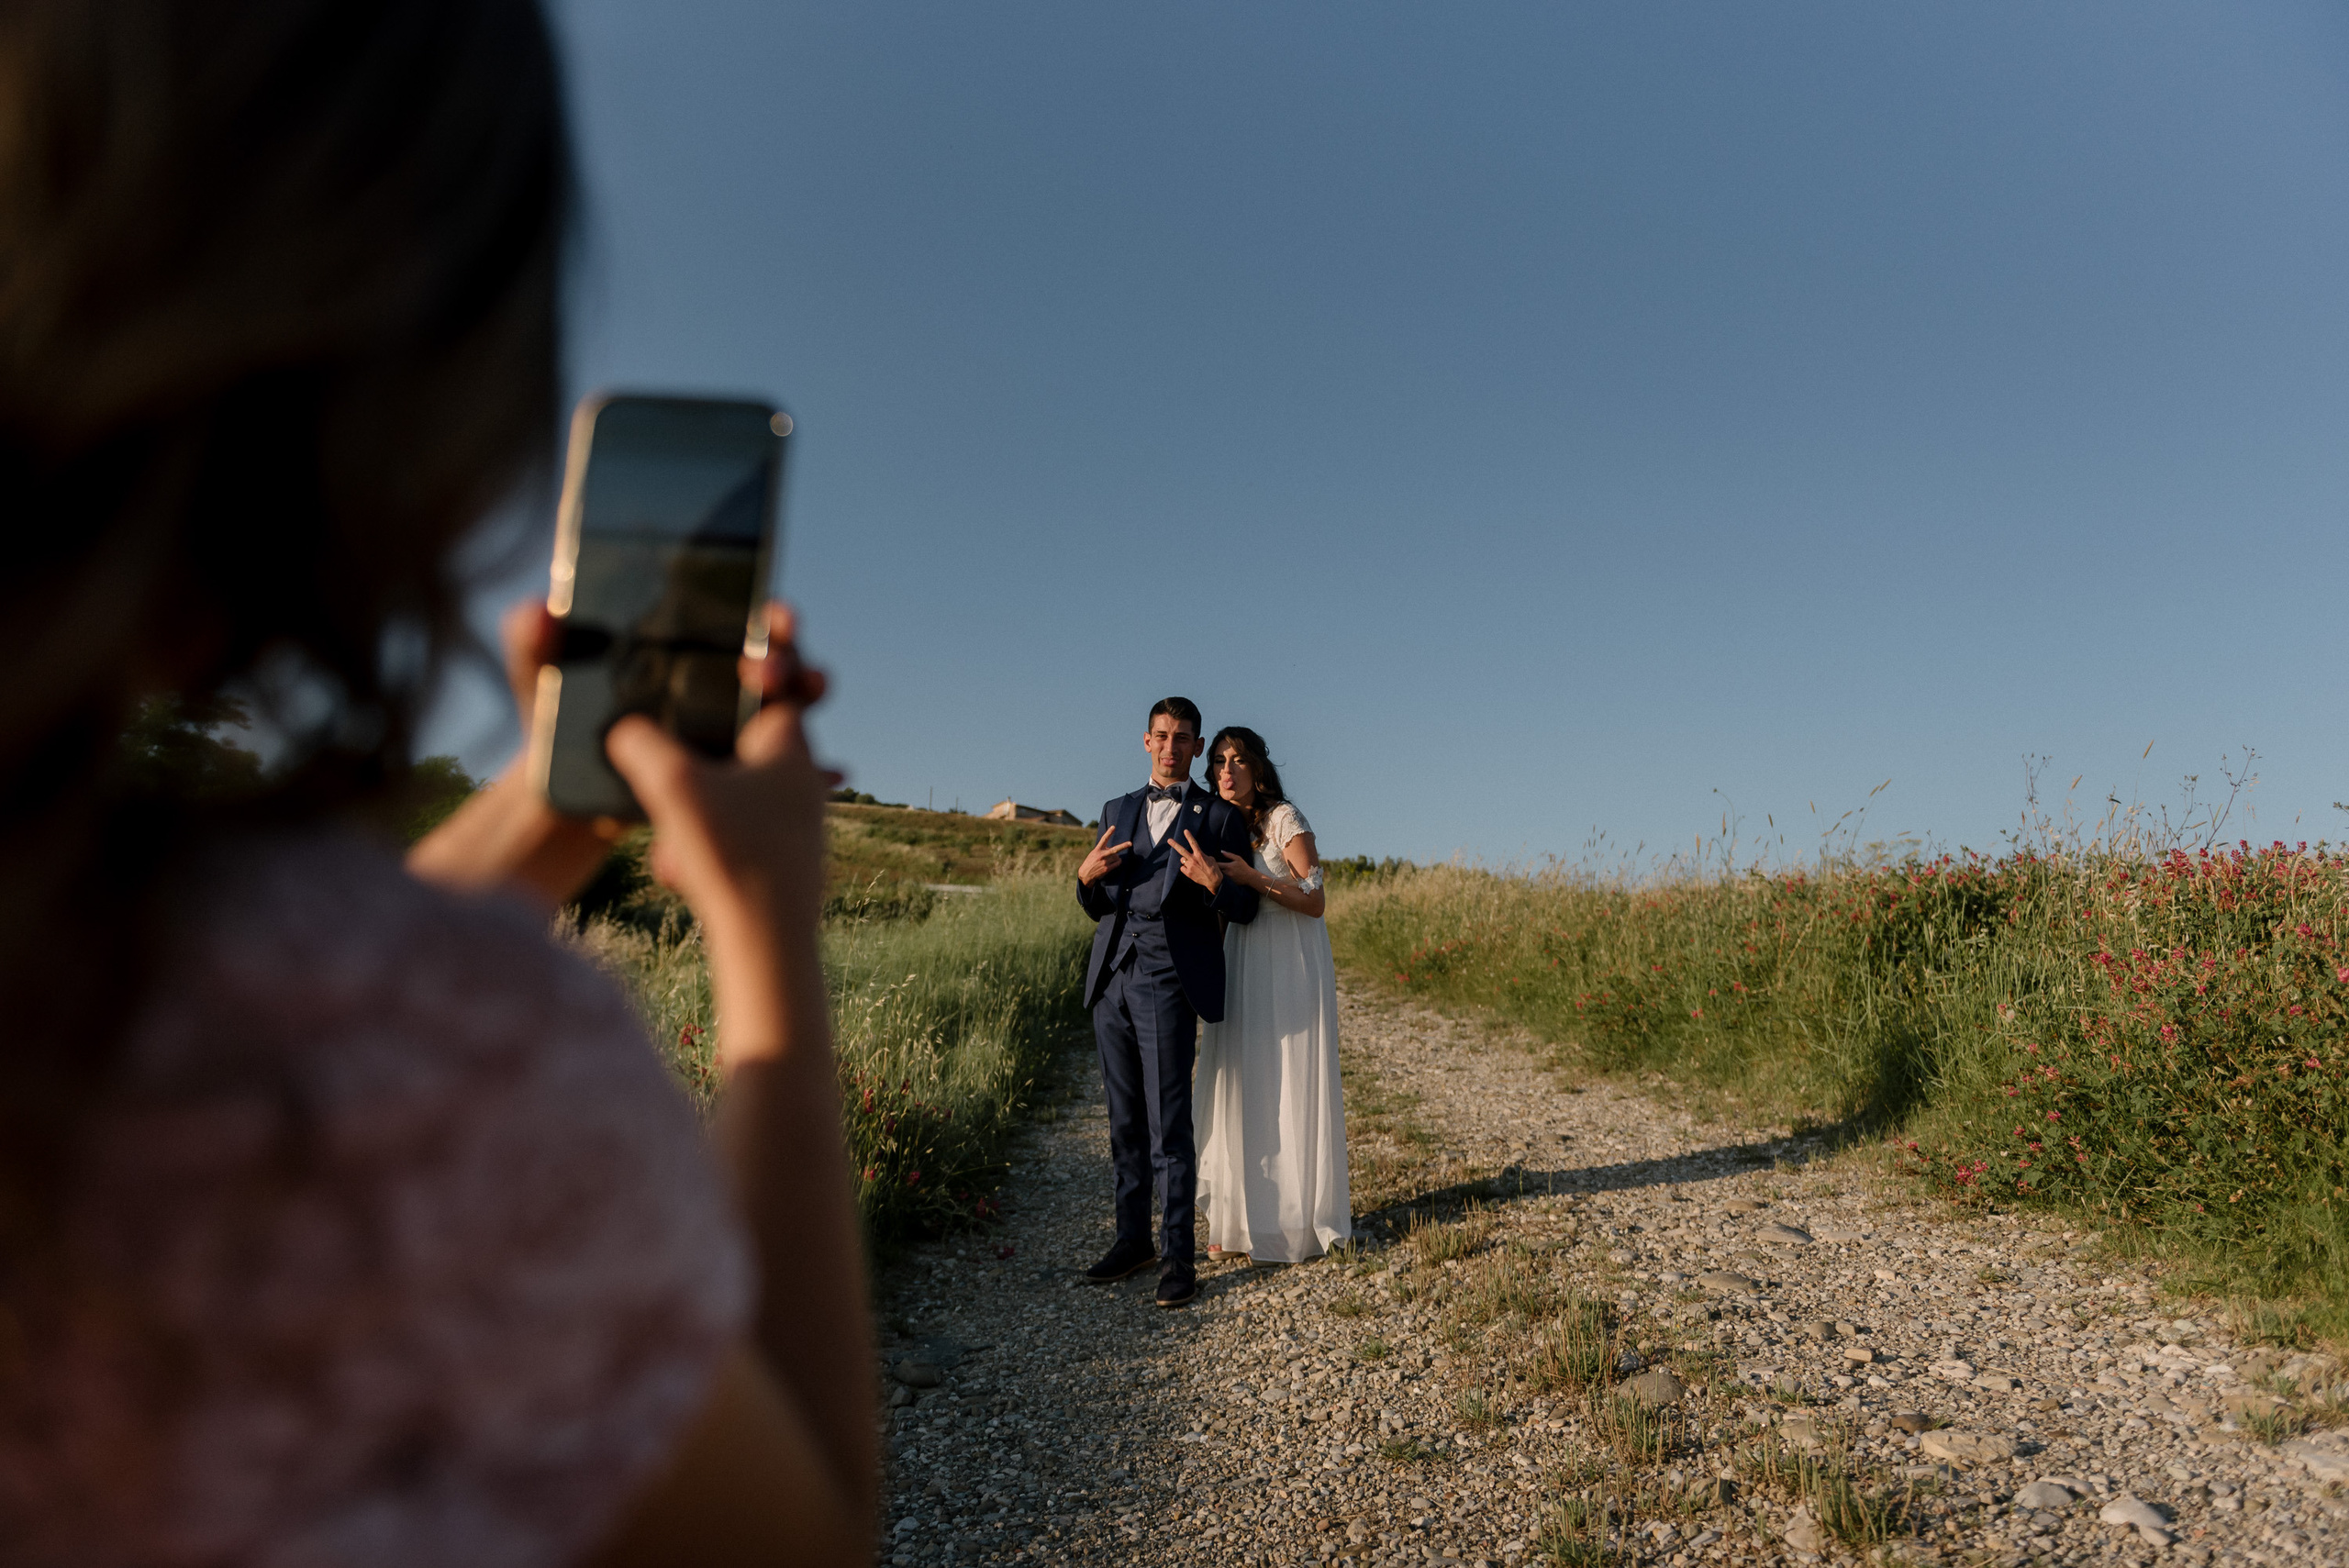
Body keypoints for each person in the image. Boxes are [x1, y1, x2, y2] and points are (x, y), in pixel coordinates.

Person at [0, 3, 872, 1563]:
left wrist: (551, 803)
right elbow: (802, 1531)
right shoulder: (438, 1061)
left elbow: (251, 994)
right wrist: (765, 933)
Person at [1074, 697, 1261, 1307]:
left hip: (1168, 979)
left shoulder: (1220, 819)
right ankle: (1134, 1240)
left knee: (1168, 1127)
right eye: (1161, 736)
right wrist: (1082, 880)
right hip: (1111, 979)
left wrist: (1216, 886)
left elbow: (1248, 907)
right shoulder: (1115, 809)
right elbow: (1102, 903)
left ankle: (1179, 1255)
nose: (1171, 746)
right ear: (1146, 742)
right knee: (1124, 1120)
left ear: (1197, 747)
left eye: (1183, 738)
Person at [1193, 726, 1351, 1263]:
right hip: (1242, 957)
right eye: (1218, 761)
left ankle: (1290, 1223)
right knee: (1241, 1077)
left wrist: (1254, 879)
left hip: (1290, 960)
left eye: (1238, 760)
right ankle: (1235, 1222)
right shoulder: (1215, 824)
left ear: (1258, 767)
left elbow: (1315, 898)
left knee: (1287, 1075)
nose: (1227, 770)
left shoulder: (1285, 818)